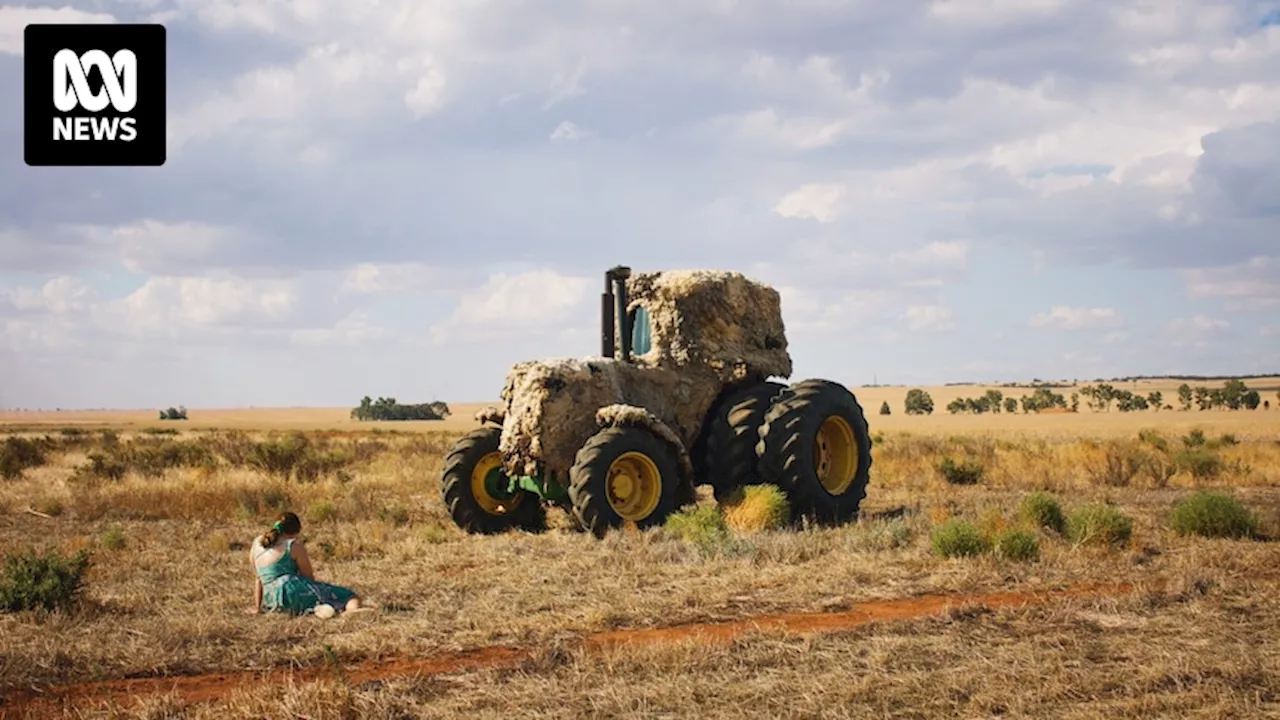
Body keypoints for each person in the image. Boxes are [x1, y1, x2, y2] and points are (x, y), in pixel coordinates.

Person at [246, 511, 369, 617]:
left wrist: (258, 607)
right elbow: (308, 576)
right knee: (347, 596)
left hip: (270, 600)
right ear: (295, 531)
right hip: (290, 590)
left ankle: (318, 609)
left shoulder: (257, 542)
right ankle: (349, 611)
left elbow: (258, 578)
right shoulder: (293, 545)